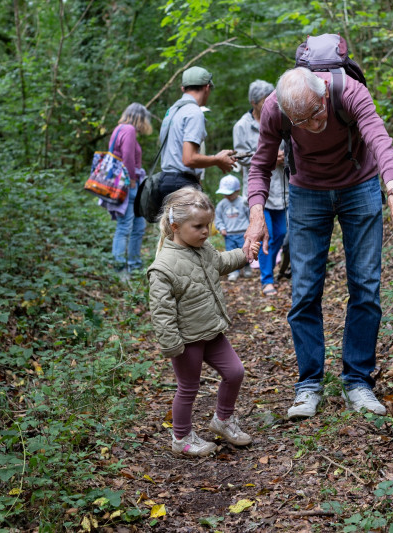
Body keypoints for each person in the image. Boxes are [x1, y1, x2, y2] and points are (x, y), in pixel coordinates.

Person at [243, 67, 393, 419]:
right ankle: (309, 385)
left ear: (324, 94)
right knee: (305, 290)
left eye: (315, 115)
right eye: (300, 122)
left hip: (360, 185)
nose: (310, 126)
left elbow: (380, 141)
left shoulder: (349, 92)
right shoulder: (276, 110)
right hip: (306, 191)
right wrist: (255, 214)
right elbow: (261, 163)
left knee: (366, 286)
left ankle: (358, 382)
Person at [147, 187, 260, 456]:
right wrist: (172, 345)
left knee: (235, 373)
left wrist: (245, 253)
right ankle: (182, 438)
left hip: (212, 331)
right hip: (187, 340)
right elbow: (161, 311)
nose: (205, 231)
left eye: (207, 225)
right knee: (188, 388)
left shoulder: (203, 248)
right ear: (175, 226)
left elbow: (219, 263)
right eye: (198, 226)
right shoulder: (164, 266)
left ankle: (222, 420)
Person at [233, 80, 287, 296]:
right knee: (268, 234)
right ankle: (267, 279)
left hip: (281, 188)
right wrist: (270, 159)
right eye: (266, 101)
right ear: (254, 102)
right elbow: (240, 159)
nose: (270, 104)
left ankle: (269, 270)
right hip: (258, 191)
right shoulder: (242, 126)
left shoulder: (280, 117)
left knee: (281, 233)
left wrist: (285, 158)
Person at [156, 66, 237, 208]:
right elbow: (189, 158)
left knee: (173, 230)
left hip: (165, 182)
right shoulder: (194, 112)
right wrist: (217, 159)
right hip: (182, 185)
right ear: (207, 87)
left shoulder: (172, 111)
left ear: (183, 89)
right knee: (193, 230)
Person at [103, 103, 153, 278]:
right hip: (128, 184)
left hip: (127, 184)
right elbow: (128, 157)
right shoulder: (129, 130)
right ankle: (119, 268)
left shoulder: (119, 129)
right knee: (124, 226)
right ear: (139, 117)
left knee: (138, 226)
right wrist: (132, 180)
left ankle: (134, 264)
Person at [214, 175, 253, 281]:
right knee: (231, 253)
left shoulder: (243, 202)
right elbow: (218, 218)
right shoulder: (222, 204)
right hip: (229, 233)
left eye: (230, 194)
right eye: (225, 194)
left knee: (245, 252)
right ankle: (233, 271)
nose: (227, 196)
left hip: (243, 232)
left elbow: (250, 215)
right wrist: (221, 227)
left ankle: (247, 267)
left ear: (237, 191)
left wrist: (251, 228)